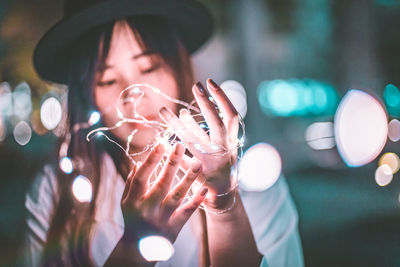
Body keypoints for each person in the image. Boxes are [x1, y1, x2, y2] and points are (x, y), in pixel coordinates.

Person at [23, 0, 304, 266]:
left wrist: (225, 209)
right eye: (106, 79)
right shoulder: (59, 191)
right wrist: (132, 250)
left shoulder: (252, 180)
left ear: (178, 65)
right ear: (86, 93)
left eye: (149, 67)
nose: (132, 96)